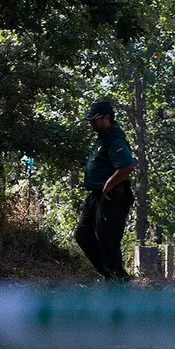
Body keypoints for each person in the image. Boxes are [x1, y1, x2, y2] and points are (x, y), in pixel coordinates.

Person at [75, 100, 136, 281]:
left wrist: (109, 183)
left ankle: (117, 280)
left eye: (94, 120)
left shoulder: (114, 138)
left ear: (106, 118)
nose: (91, 124)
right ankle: (111, 275)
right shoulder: (102, 138)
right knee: (83, 234)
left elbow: (127, 166)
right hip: (96, 195)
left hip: (112, 196)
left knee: (108, 239)